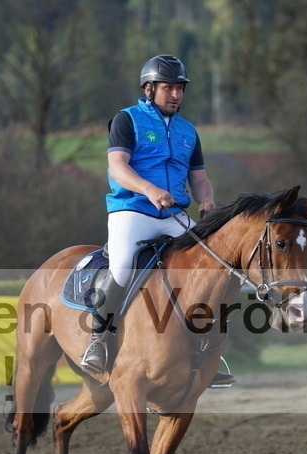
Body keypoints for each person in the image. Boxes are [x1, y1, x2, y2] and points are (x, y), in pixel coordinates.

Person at [81, 54, 218, 375]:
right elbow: (118, 167)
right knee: (123, 268)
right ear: (149, 89)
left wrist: (207, 200)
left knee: (210, 267)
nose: (175, 95)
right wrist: (150, 190)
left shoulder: (188, 131)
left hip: (173, 215)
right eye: (168, 88)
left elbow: (199, 177)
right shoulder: (126, 120)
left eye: (180, 89)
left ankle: (207, 351)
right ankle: (98, 341)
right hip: (132, 210)